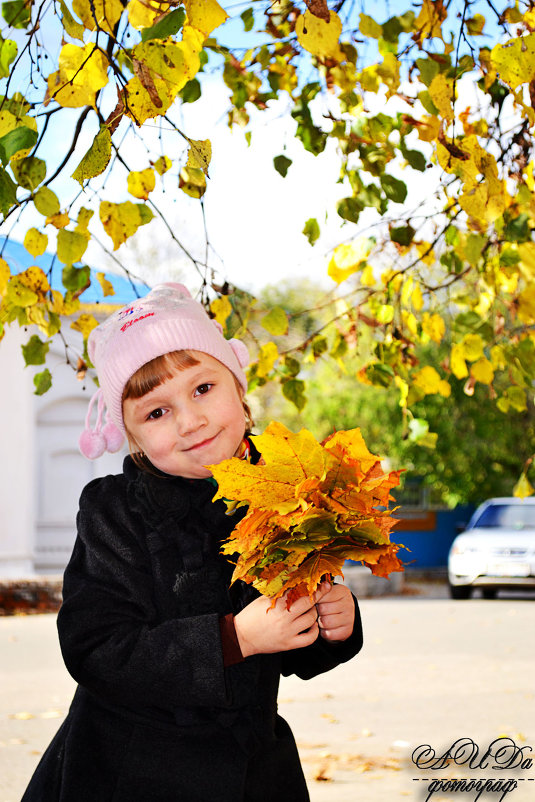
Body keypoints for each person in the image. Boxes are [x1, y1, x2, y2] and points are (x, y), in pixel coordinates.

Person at [22, 283, 363, 802]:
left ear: (239, 387)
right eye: (156, 413)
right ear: (133, 438)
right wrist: (234, 638)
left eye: (203, 388)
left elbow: (290, 640)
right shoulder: (115, 511)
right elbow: (96, 650)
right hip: (130, 770)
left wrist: (331, 624)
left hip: (254, 769)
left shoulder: (286, 492)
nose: (190, 421)